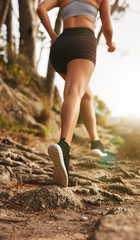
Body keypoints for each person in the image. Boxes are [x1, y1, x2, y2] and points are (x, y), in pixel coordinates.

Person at [37, 0, 116, 187]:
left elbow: (40, 8)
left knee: (85, 93)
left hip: (60, 46)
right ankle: (64, 145)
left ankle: (96, 142)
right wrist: (110, 42)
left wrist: (53, 36)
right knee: (74, 92)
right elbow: (107, 26)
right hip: (83, 42)